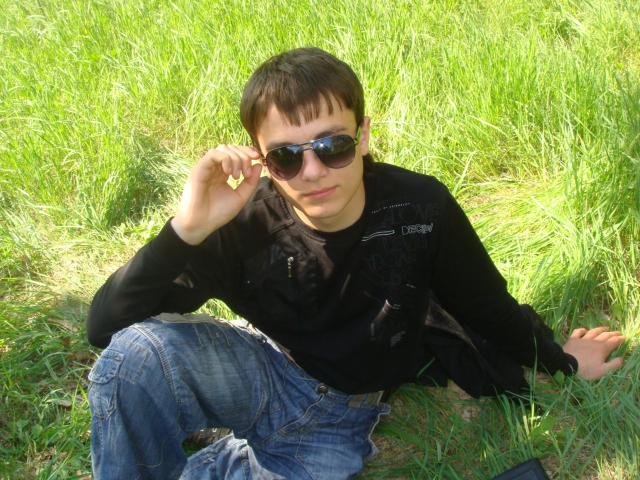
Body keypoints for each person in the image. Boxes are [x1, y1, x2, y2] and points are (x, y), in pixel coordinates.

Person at [86, 47, 625, 479]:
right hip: (264, 365)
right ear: (262, 160)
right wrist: (186, 229)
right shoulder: (243, 222)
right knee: (135, 357)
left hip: (341, 412)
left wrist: (560, 360)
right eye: (287, 156)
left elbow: (484, 305)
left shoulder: (419, 209)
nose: (313, 171)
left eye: (333, 146)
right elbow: (106, 329)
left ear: (364, 136)